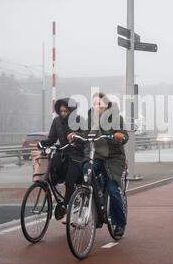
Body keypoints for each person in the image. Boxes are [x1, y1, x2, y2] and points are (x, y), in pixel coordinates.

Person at [68, 92, 129, 238]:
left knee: (113, 190)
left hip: (114, 158)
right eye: (94, 104)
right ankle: (95, 200)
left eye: (99, 104)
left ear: (106, 105)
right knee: (86, 169)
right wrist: (75, 135)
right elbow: (85, 135)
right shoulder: (91, 119)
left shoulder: (116, 118)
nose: (97, 106)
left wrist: (120, 136)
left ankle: (119, 224)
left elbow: (125, 136)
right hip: (97, 156)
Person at [37, 98, 85, 220]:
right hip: (62, 154)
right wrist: (42, 143)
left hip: (76, 155)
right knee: (51, 175)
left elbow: (85, 138)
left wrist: (76, 138)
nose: (63, 113)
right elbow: (51, 139)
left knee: (70, 182)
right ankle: (59, 198)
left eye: (66, 111)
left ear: (71, 111)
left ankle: (67, 205)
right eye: (61, 111)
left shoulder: (79, 120)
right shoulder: (56, 121)